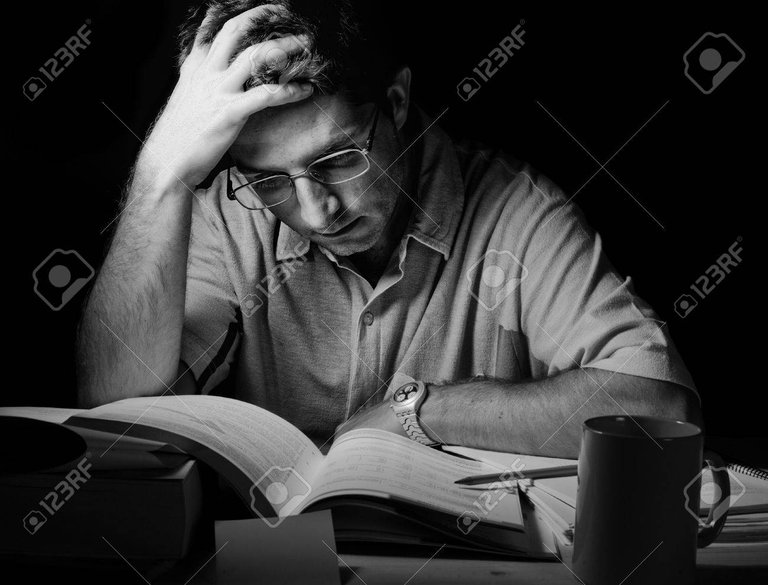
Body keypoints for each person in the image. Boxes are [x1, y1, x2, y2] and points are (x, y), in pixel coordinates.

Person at [77, 1, 700, 458]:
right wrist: (161, 175)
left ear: (397, 103)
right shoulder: (224, 215)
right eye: (269, 180)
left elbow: (660, 406)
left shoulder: (517, 210)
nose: (317, 211)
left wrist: (416, 412)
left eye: (338, 159)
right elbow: (117, 413)